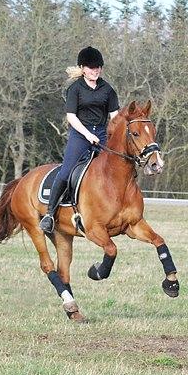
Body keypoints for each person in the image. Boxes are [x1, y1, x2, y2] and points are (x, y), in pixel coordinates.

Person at [39, 46, 120, 234]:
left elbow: (115, 115)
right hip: (80, 135)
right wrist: (87, 135)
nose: (96, 71)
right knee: (67, 172)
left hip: (101, 134)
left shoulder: (107, 89)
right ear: (83, 68)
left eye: (98, 67)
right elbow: (71, 117)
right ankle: (50, 214)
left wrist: (113, 134)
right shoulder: (75, 89)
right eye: (92, 68)